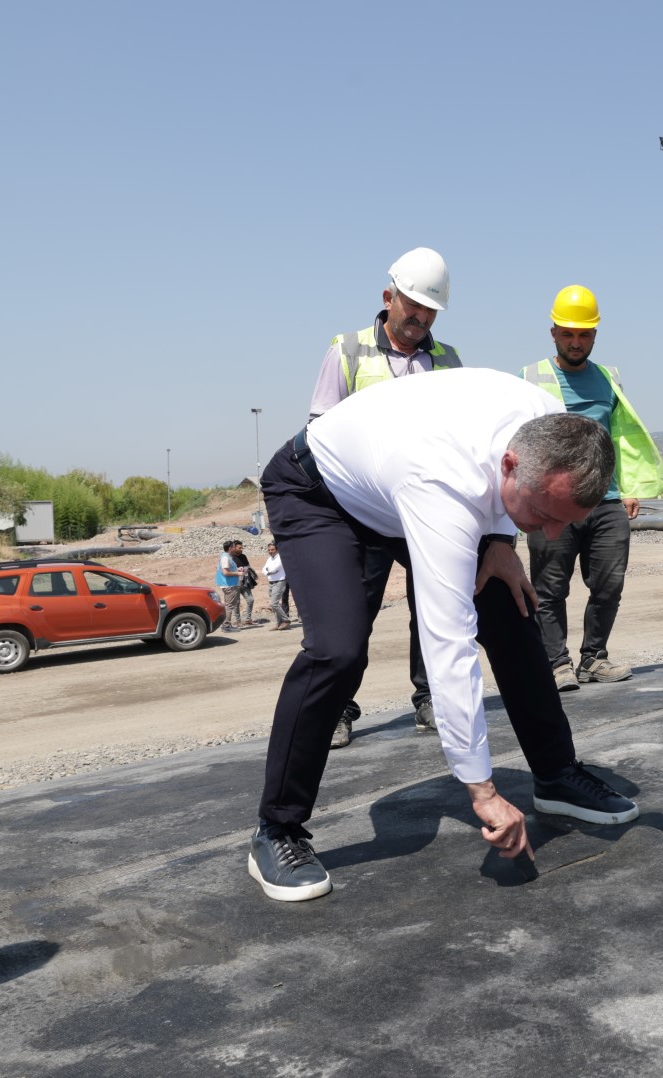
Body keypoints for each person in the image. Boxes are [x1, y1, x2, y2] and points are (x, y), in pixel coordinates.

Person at [249, 368, 640, 902]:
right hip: (319, 493)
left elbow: (510, 500)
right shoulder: (443, 486)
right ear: (511, 466)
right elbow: (448, 644)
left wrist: (502, 539)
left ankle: (556, 774)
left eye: (564, 523)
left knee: (513, 611)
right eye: (543, 516)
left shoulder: (547, 421)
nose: (550, 534)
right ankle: (276, 829)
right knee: (337, 649)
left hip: (397, 481)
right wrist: (483, 791)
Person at [308, 247, 465, 745]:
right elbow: (320, 432)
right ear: (387, 297)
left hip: (425, 511)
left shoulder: (448, 360)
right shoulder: (348, 350)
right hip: (363, 511)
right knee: (352, 615)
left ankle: (431, 699)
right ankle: (337, 708)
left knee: (435, 609)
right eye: (413, 305)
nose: (421, 317)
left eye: (430, 309)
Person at [520, 285, 663, 691]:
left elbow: (618, 436)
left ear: (595, 335)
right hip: (551, 506)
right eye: (568, 333)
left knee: (609, 584)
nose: (575, 342)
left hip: (606, 500)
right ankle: (556, 663)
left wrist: (629, 487)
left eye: (583, 334)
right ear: (553, 333)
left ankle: (594, 658)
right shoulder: (530, 377)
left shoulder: (608, 378)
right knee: (550, 588)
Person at [263, 541, 295, 630]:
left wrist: (269, 570)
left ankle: (286, 620)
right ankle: (278, 623)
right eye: (269, 550)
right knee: (275, 604)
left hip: (279, 582)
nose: (270, 551)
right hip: (271, 582)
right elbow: (263, 570)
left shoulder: (280, 558)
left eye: (272, 549)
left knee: (274, 603)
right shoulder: (269, 559)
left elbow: (273, 569)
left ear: (277, 550)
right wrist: (268, 571)